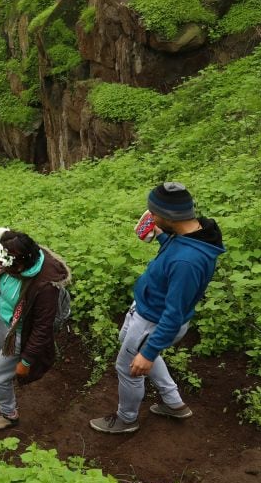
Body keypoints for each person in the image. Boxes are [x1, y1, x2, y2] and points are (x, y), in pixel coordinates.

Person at [90, 182, 225, 434]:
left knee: (128, 368)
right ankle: (174, 403)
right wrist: (161, 235)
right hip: (146, 311)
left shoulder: (187, 261)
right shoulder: (191, 234)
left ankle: (126, 419)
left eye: (153, 214)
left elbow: (173, 315)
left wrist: (149, 351)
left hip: (153, 321)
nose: (149, 217)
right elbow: (175, 251)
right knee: (134, 351)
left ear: (171, 217)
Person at [0, 227, 71, 431]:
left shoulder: (44, 288)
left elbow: (42, 328)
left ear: (19, 264)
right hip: (7, 321)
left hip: (20, 333)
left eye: (3, 263)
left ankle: (8, 414)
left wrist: (26, 361)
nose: (0, 266)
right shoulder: (19, 263)